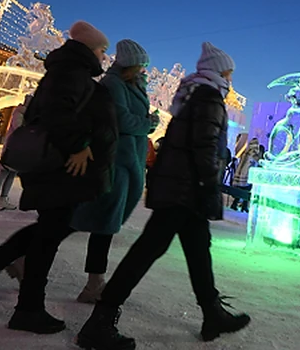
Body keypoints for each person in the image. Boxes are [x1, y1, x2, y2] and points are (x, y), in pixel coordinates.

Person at [77, 42, 251, 349]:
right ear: (219, 72)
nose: (231, 79)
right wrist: (211, 186)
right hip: (186, 190)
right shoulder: (209, 97)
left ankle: (212, 312)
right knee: (146, 251)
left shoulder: (192, 95)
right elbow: (205, 148)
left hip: (179, 188)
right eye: (229, 72)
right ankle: (100, 321)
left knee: (198, 250)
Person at [0, 21, 118, 334]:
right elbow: (58, 114)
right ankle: (26, 307)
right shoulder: (70, 72)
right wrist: (80, 146)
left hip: (63, 169)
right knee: (49, 235)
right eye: (101, 49)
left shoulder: (72, 71)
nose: (103, 56)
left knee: (49, 232)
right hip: (62, 168)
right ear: (88, 49)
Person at [71, 39, 159, 304]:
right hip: (114, 161)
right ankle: (94, 283)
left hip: (126, 161)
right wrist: (148, 124)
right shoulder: (113, 85)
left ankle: (28, 256)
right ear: (129, 65)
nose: (145, 70)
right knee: (101, 222)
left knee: (94, 220)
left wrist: (147, 121)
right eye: (141, 65)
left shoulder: (132, 85)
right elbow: (120, 119)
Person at [0, 95, 33, 211]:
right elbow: (19, 128)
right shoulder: (19, 113)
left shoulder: (29, 115)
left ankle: (3, 198)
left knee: (12, 174)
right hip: (12, 147)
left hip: (20, 148)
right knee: (3, 173)